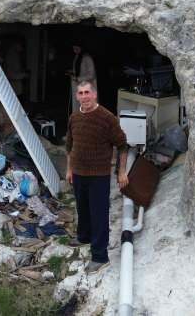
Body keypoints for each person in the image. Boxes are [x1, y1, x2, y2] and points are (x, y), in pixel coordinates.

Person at [65, 79, 128, 273]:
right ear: (77, 96)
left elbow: (123, 145)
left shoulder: (107, 118)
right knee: (82, 207)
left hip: (99, 175)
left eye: (87, 93)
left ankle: (100, 257)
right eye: (80, 93)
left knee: (98, 214)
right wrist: (69, 169)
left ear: (94, 94)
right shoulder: (74, 118)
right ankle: (83, 236)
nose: (84, 97)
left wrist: (121, 171)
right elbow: (69, 146)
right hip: (78, 172)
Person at [69, 45, 96, 115]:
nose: (75, 49)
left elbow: (91, 74)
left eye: (76, 47)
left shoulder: (87, 58)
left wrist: (79, 78)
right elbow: (76, 70)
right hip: (77, 87)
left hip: (87, 88)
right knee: (77, 107)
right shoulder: (76, 57)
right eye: (73, 48)